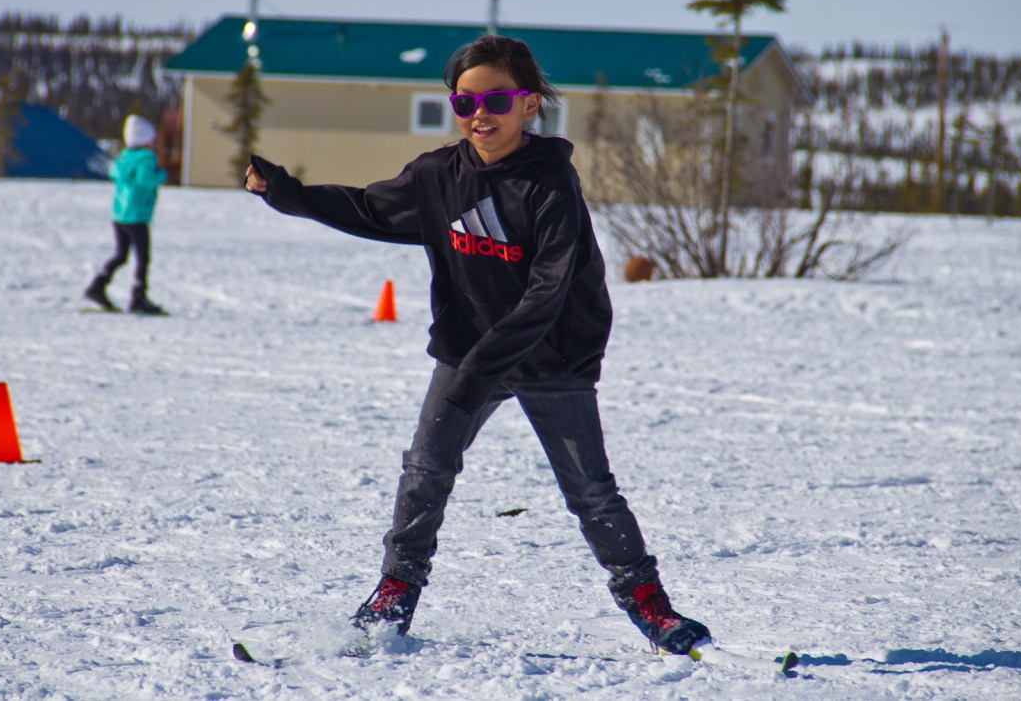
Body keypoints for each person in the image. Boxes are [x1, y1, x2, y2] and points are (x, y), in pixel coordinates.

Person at [243, 35, 710, 655]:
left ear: (530, 105)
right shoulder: (439, 176)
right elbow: (372, 209)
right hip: (470, 348)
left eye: (495, 99)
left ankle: (652, 608)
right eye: (465, 103)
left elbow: (546, 295)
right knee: (425, 468)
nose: (479, 115)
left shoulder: (551, 186)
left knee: (590, 489)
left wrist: (475, 374)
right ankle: (395, 592)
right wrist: (287, 193)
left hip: (553, 356)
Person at [84, 114, 167, 315]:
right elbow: (145, 179)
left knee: (121, 255)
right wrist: (162, 174)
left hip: (120, 214)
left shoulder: (124, 157)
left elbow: (115, 173)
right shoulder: (146, 157)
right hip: (137, 215)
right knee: (142, 257)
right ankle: (138, 297)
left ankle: (98, 285)